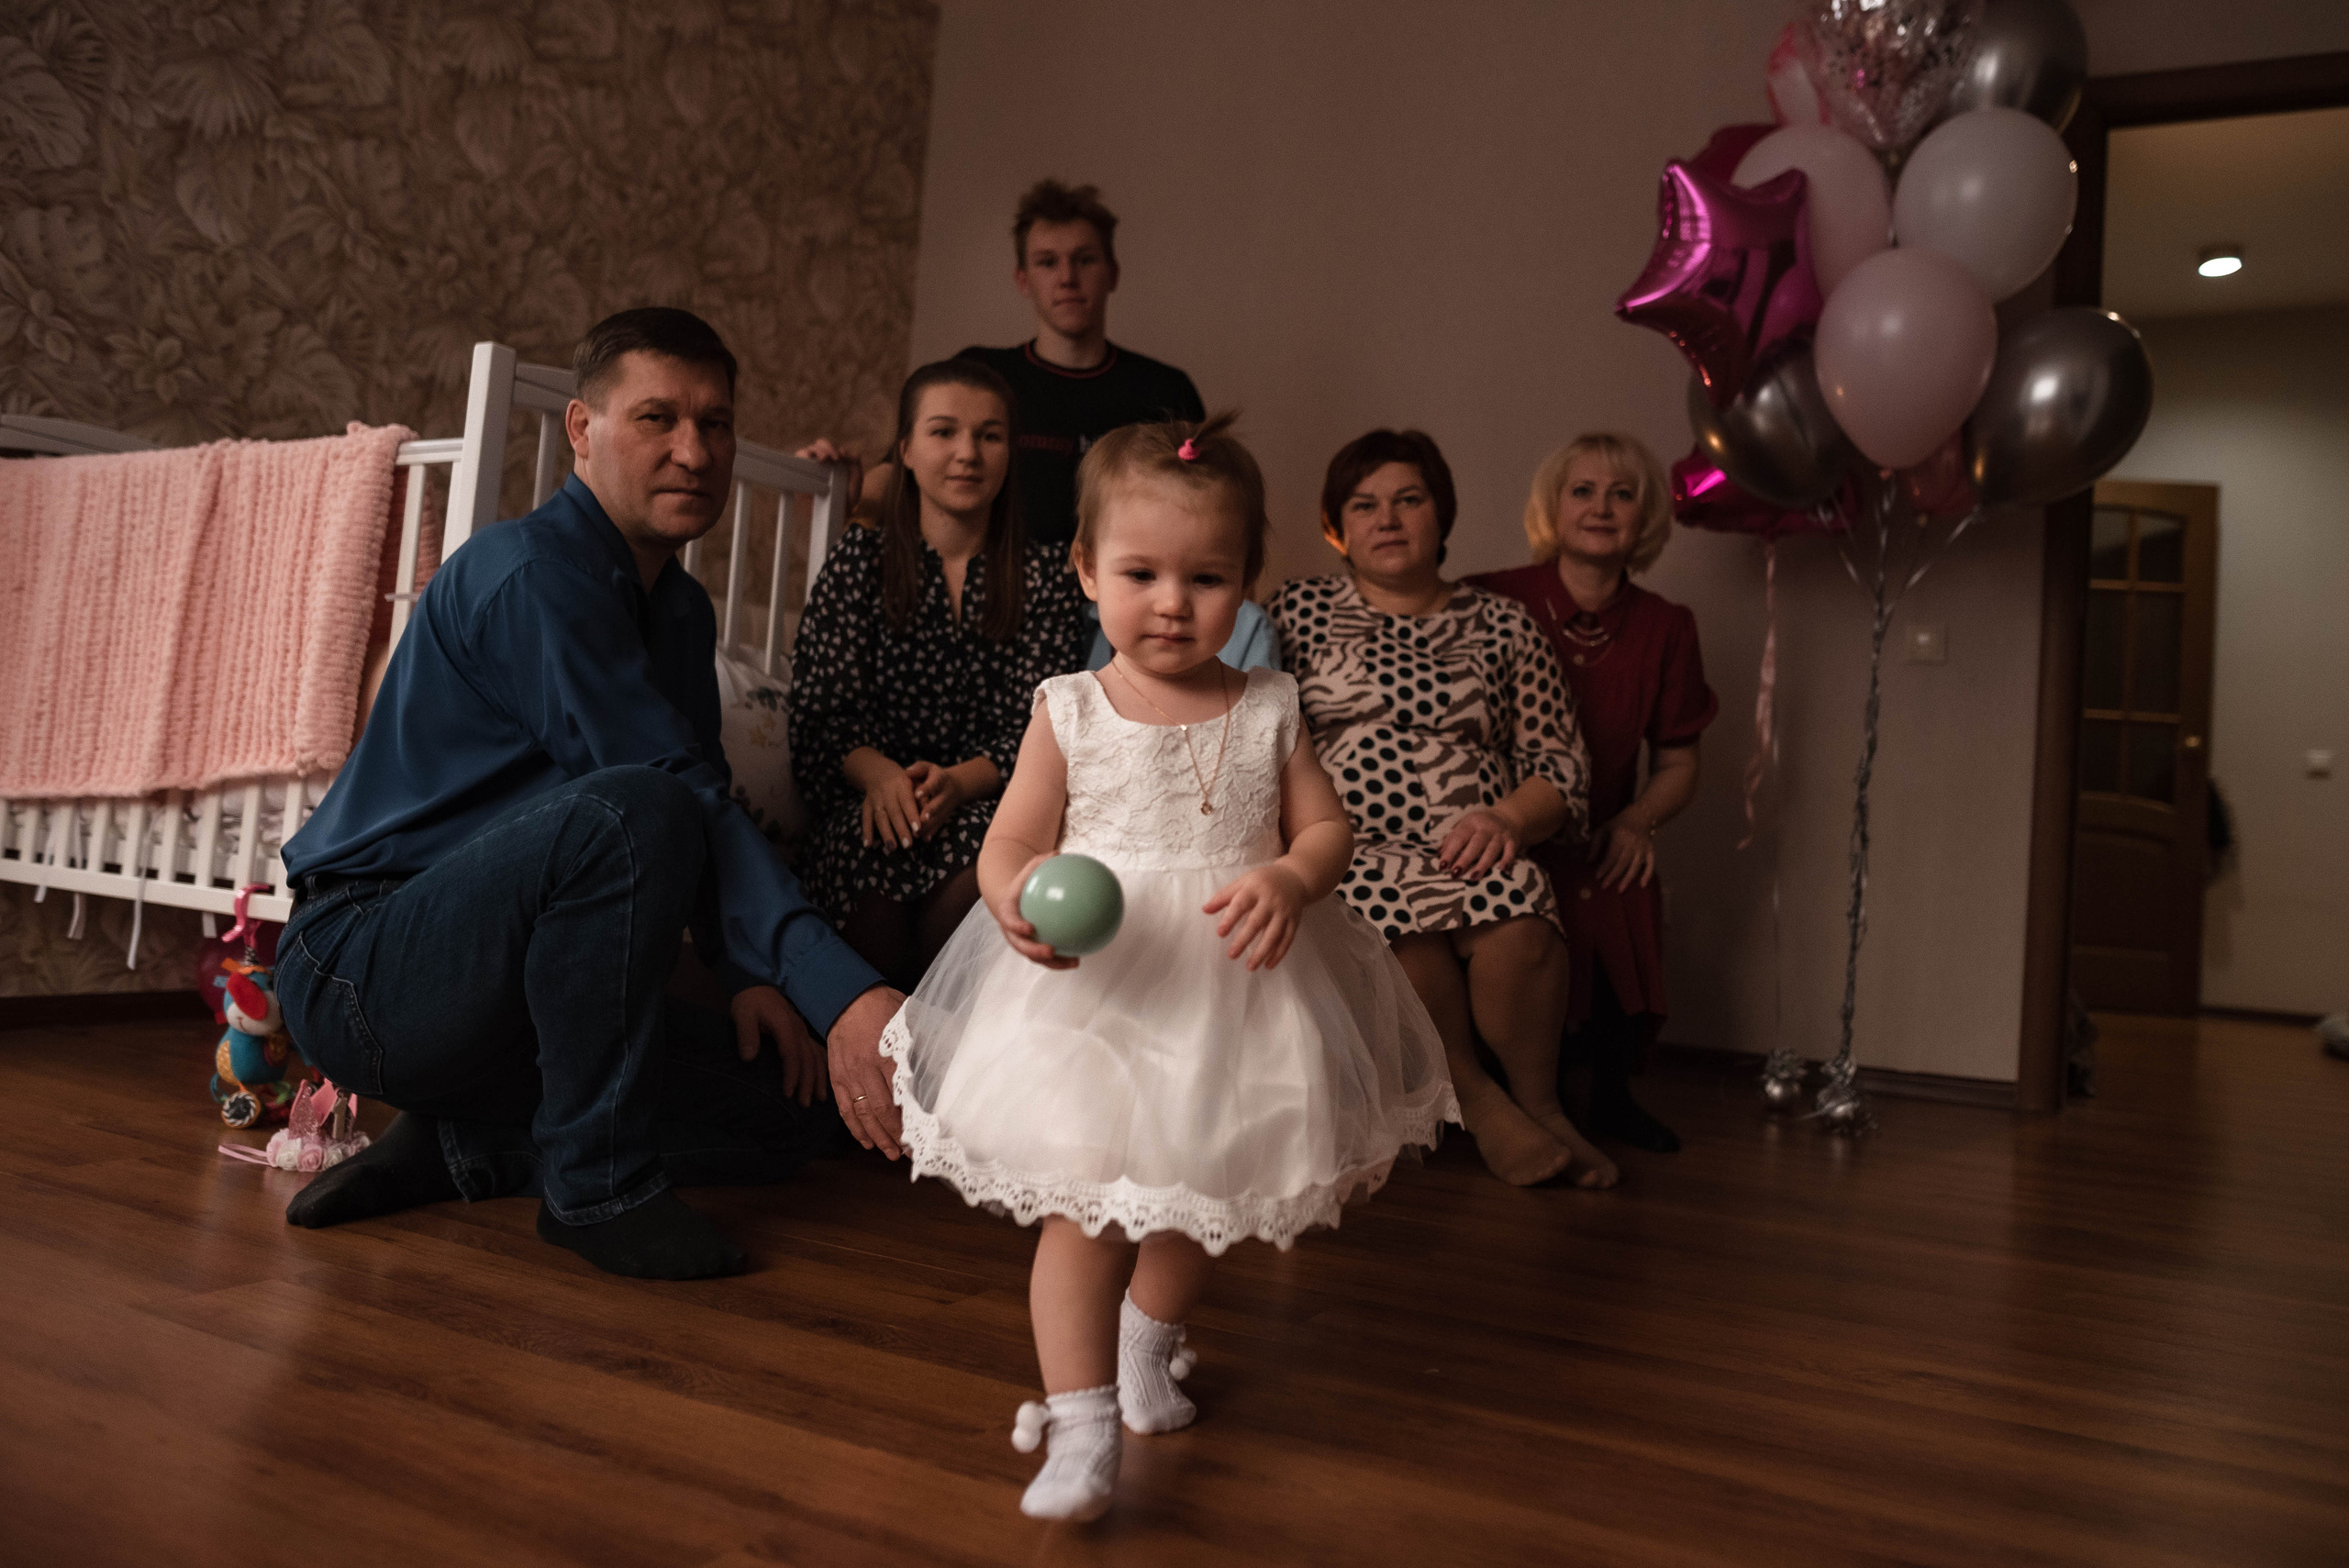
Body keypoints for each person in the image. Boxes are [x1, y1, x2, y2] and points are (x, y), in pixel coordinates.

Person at [878, 416, 1455, 1521]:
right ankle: (1081, 1420)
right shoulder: (1070, 708)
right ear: (1089, 571)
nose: (1173, 602)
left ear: (1246, 587)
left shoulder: (1270, 710)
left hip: (1229, 991)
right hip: (1089, 997)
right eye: (1140, 573)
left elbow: (1327, 833)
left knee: (1204, 1198)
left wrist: (1288, 880)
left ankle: (1149, 1343)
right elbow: (1009, 842)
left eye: (1208, 577)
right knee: (1084, 1211)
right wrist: (1010, 898)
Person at [273, 308, 906, 1282]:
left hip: (517, 1000)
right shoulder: (527, 574)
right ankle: (595, 1185)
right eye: (657, 418)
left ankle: (460, 1146)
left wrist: (755, 978)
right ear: (581, 429)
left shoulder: (681, 613)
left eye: (716, 424)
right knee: (636, 808)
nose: (693, 451)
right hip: (367, 968)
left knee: (797, 1112)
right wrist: (844, 987)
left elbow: (699, 798)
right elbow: (666, 794)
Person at [1266, 429, 1616, 1191]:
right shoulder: (1299, 607)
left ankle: (1542, 1104)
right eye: (1364, 505)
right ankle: (1481, 1104)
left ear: (1442, 513)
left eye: (1408, 499)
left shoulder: (1504, 624)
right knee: (1391, 931)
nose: (1387, 518)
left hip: (1472, 835)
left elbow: (1559, 761)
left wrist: (1509, 821)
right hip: (1346, 836)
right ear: (1338, 527)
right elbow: (1253, 723)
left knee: (1522, 920)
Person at [789, 360, 1088, 990]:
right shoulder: (860, 560)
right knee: (868, 848)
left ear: (1010, 452)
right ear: (905, 450)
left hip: (986, 800)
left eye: (989, 435)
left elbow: (1047, 721)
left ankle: (941, 1039)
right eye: (944, 432)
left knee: (989, 860)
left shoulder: (1044, 577)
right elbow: (820, 708)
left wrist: (957, 782)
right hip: (868, 795)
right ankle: (867, 1035)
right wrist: (881, 775)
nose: (967, 454)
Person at [1467, 435, 1716, 1154]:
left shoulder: (1670, 626)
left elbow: (1679, 762)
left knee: (1624, 881)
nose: (1601, 507)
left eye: (1622, 493)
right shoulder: (1491, 597)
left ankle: (1610, 1096)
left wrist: (1639, 821)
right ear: (1552, 507)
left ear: (1645, 518)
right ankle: (1503, 1091)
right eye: (1583, 490)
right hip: (1508, 826)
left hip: (1603, 831)